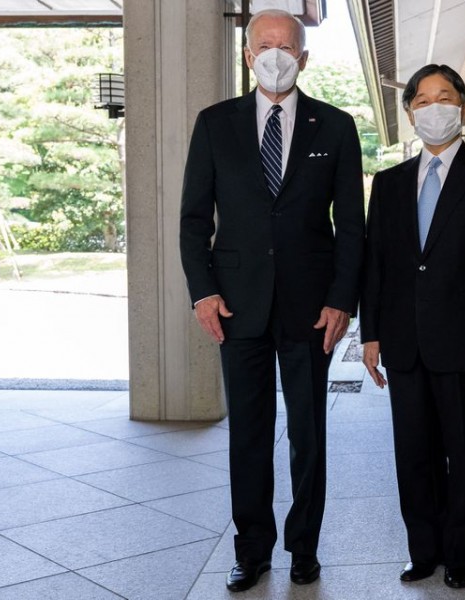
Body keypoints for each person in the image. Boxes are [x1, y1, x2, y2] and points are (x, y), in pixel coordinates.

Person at [180, 8, 364, 594]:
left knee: (308, 432)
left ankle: (305, 548)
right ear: (248, 54)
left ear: (304, 58)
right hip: (236, 305)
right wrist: (203, 290)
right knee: (249, 432)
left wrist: (342, 300)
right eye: (266, 44)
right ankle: (252, 549)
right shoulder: (214, 124)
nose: (276, 54)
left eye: (288, 47)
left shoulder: (334, 126)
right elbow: (192, 220)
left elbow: (352, 228)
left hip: (312, 308)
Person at [360, 64, 465, 589]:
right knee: (413, 454)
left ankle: (460, 556)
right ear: (410, 112)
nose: (435, 107)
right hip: (404, 343)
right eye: (424, 99)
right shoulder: (386, 185)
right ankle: (423, 551)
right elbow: (376, 264)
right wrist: (370, 333)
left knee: (464, 452)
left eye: (446, 96)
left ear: (464, 108)